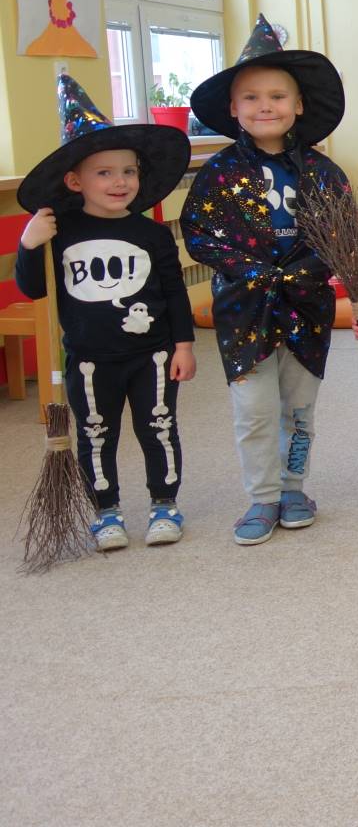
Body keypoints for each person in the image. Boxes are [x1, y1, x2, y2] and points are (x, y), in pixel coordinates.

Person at [182, 15, 350, 545]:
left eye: (277, 96)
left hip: (306, 304)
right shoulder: (219, 173)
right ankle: (263, 496)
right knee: (254, 410)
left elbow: (341, 236)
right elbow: (201, 235)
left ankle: (294, 488)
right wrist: (254, 272)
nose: (265, 106)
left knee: (298, 408)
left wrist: (305, 272)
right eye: (251, 97)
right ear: (233, 108)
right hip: (244, 308)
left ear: (298, 105)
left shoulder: (323, 173)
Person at [15, 74, 194, 550]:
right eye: (104, 173)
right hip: (89, 359)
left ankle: (164, 504)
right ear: (75, 181)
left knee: (159, 429)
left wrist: (183, 345)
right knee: (95, 435)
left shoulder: (153, 235)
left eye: (128, 171)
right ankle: (106, 511)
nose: (120, 182)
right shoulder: (61, 234)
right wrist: (30, 244)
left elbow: (175, 293)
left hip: (153, 355)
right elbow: (34, 288)